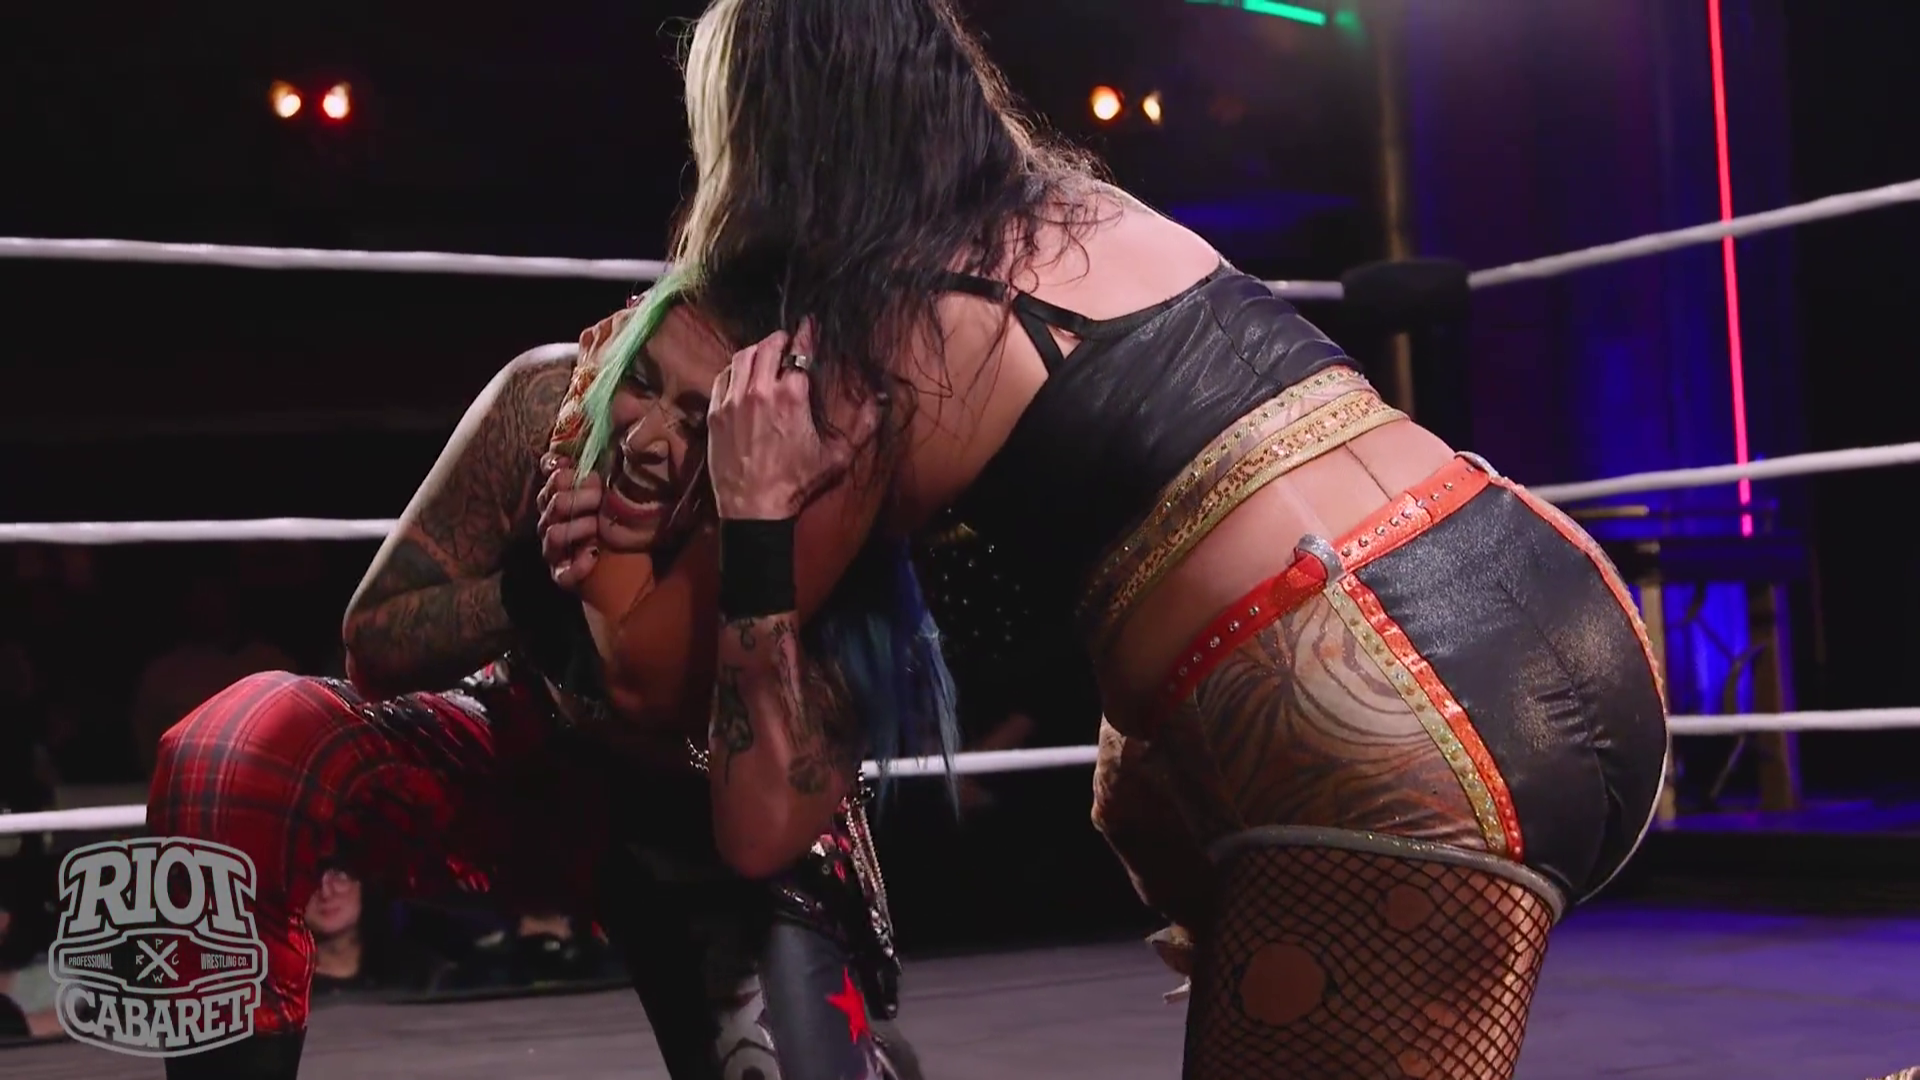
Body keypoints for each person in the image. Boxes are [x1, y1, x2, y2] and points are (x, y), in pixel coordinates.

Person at [541, 2, 1671, 1076]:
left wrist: (686, 515)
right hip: (1559, 602)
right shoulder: (1089, 210)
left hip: (1382, 729)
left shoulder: (855, 354)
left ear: (754, 136)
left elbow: (704, 753)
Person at [146, 297, 945, 1080]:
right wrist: (526, 590)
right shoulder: (554, 406)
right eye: (642, 381)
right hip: (540, 758)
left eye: (699, 420)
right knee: (241, 749)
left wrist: (711, 554)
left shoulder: (820, 509)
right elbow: (374, 643)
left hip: (716, 818)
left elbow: (751, 808)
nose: (646, 440)